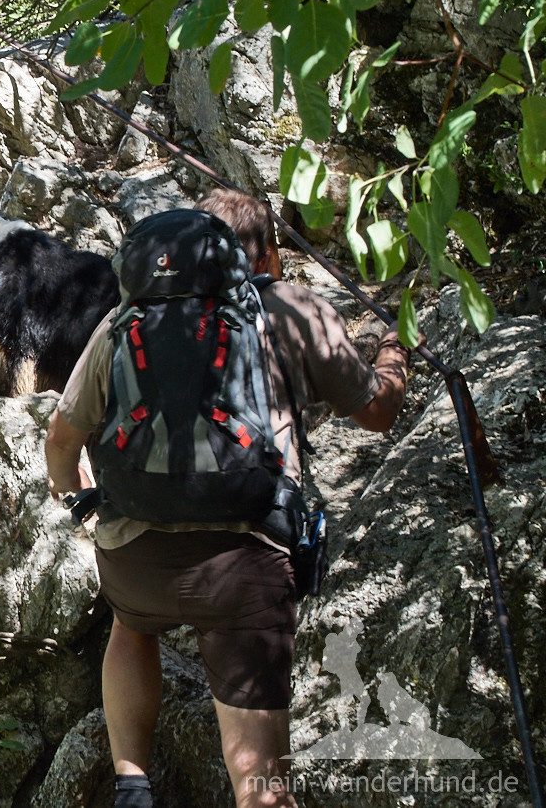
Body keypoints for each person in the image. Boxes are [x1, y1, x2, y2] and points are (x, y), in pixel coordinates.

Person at [44, 190, 410, 808]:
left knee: (131, 629)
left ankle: (132, 781)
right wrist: (395, 358)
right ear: (263, 253)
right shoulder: (291, 308)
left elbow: (61, 437)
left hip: (136, 560)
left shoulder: (123, 325)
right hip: (245, 568)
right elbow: (376, 412)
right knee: (260, 782)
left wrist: (78, 497)